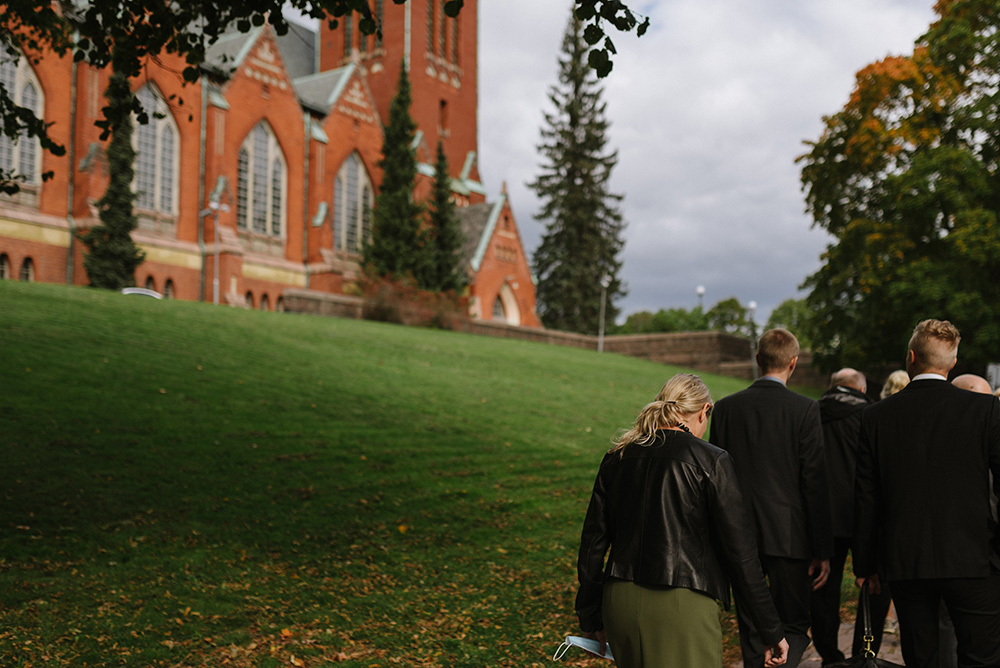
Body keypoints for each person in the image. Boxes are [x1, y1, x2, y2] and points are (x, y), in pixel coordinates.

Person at [575, 373, 789, 668]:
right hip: (683, 603)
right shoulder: (711, 460)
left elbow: (593, 545)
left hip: (619, 599)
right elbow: (741, 554)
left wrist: (589, 614)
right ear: (703, 411)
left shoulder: (617, 457)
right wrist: (770, 628)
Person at [854, 319, 1000, 668]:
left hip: (907, 560)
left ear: (911, 357)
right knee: (981, 657)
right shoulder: (985, 410)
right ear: (952, 364)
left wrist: (866, 564)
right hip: (975, 558)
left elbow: (866, 496)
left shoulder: (875, 417)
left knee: (921, 658)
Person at [708, 328, 832, 668]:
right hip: (789, 536)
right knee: (792, 623)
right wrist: (822, 549)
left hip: (739, 535)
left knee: (751, 625)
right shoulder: (805, 410)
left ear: (758, 359)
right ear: (793, 364)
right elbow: (814, 482)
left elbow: (718, 480)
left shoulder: (726, 409)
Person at [810, 368, 891, 665]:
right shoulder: (871, 414)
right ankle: (863, 654)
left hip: (823, 514)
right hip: (864, 513)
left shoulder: (812, 413)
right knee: (875, 583)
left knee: (822, 585)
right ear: (860, 387)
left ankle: (829, 654)